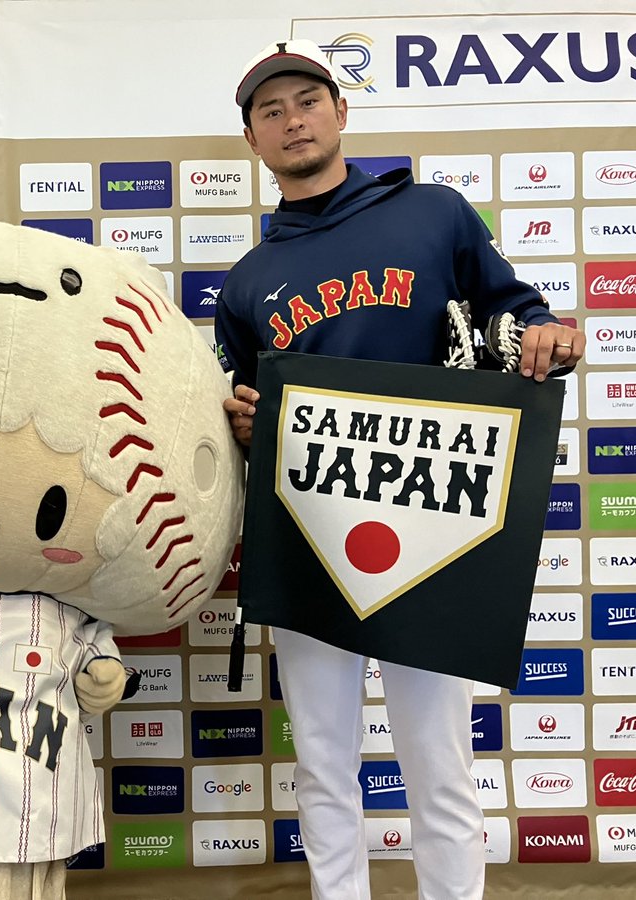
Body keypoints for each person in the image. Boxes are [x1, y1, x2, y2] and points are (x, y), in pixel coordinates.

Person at [216, 39, 585, 900]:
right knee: (322, 761)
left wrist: (546, 336)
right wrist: (244, 426)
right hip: (308, 531)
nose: (293, 120)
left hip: (433, 526)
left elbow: (515, 313)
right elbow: (247, 412)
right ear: (252, 140)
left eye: (308, 100)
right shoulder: (247, 281)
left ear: (342, 112)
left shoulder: (433, 213)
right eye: (271, 111)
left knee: (439, 761)